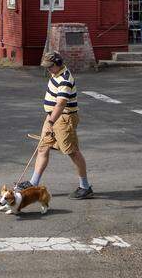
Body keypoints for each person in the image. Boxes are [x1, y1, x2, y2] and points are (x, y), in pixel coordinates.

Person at [18, 51, 93, 199]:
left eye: (50, 66)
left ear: (58, 63)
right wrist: (50, 120)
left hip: (64, 119)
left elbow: (61, 104)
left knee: (72, 152)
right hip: (52, 117)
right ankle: (33, 183)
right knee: (43, 147)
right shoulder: (55, 73)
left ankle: (85, 187)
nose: (48, 69)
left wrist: (51, 121)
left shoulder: (65, 79)